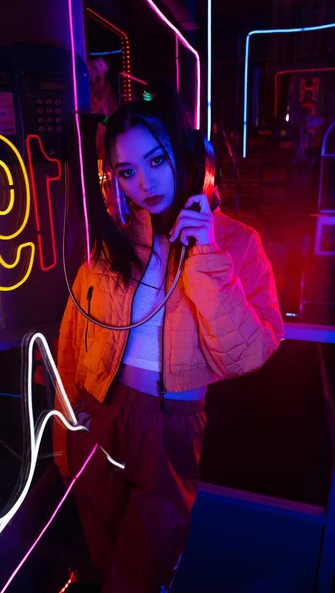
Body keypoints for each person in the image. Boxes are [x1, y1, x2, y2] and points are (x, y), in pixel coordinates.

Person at [54, 78, 284, 593]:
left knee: (141, 572)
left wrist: (204, 256)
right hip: (99, 410)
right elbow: (75, 335)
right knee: (100, 549)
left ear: (181, 154)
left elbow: (247, 354)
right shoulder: (114, 242)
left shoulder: (235, 242)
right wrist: (67, 418)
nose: (145, 184)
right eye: (128, 171)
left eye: (156, 161)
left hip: (170, 424)